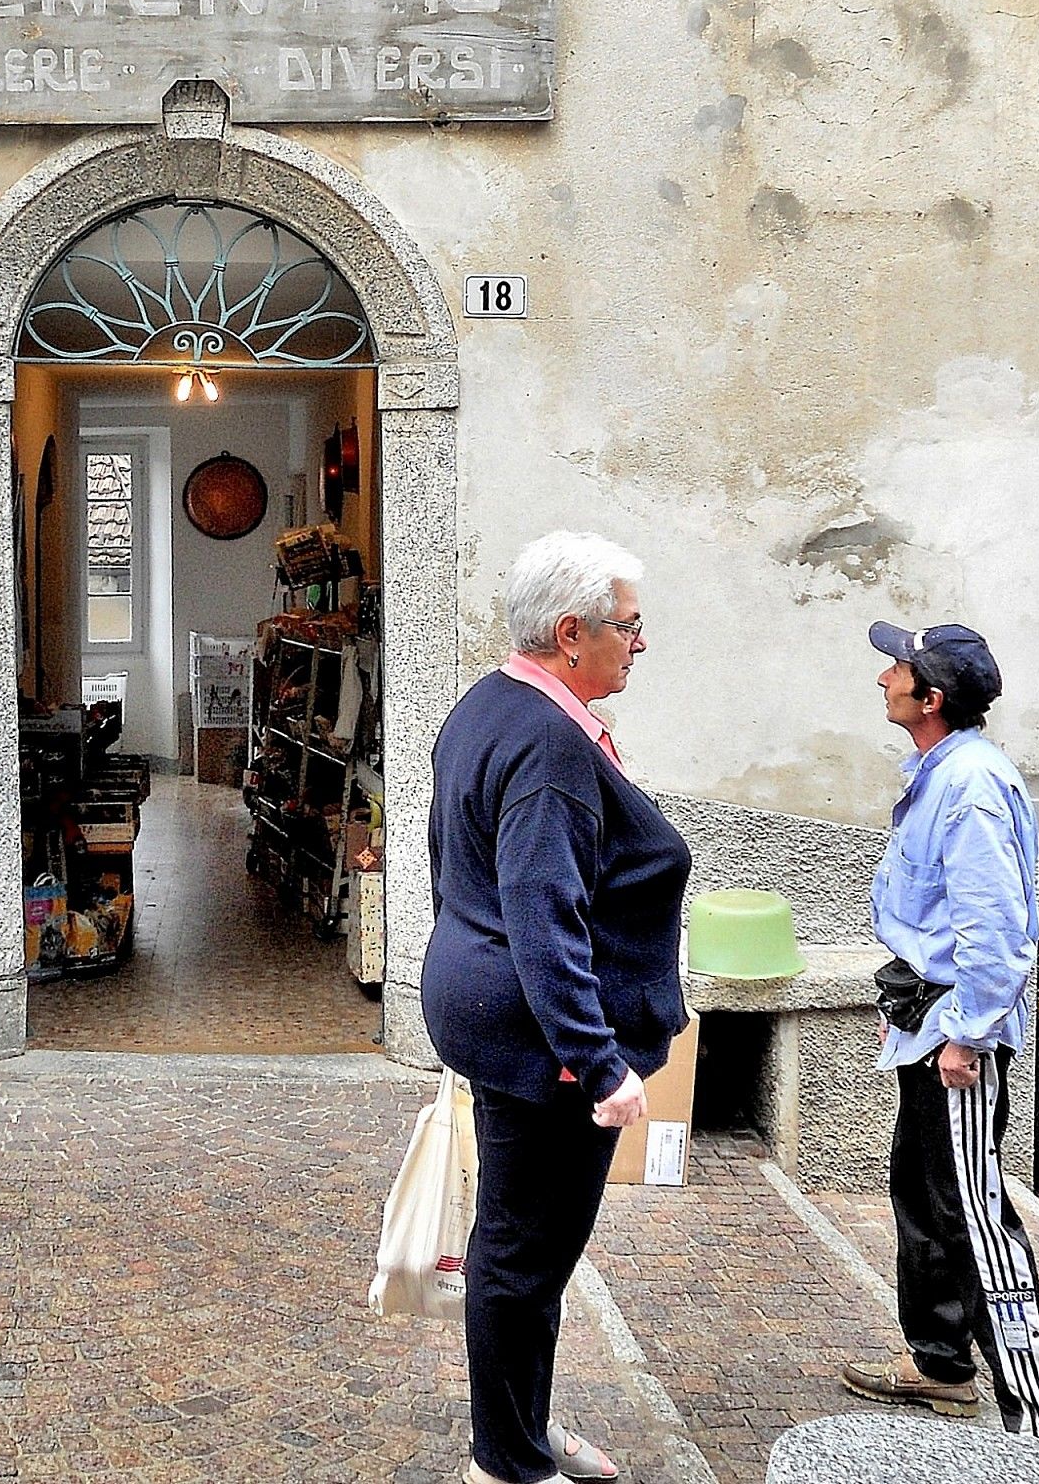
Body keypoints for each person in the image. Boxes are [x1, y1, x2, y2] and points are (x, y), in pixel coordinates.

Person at [423, 531, 692, 1484]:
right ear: (571, 634)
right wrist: (600, 1061)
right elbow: (544, 918)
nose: (641, 642)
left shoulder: (493, 705)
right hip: (546, 1046)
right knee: (522, 1256)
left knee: (520, 1248)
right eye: (630, 625)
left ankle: (523, 1432)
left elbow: (454, 867)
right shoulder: (547, 745)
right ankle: (505, 1461)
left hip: (500, 1020)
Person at [840, 621, 1039, 1443]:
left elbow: (999, 930)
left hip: (955, 1032)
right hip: (929, 1023)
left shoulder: (972, 787)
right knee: (921, 1190)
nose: (884, 678)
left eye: (898, 669)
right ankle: (942, 1363)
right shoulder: (939, 770)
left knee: (972, 1213)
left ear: (932, 698)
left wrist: (969, 1036)